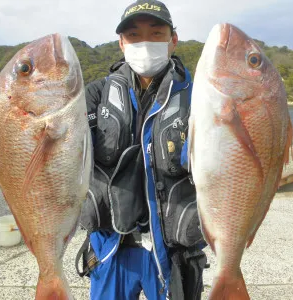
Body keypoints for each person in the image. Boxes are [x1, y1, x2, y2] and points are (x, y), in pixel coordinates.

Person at [76, 1, 207, 299]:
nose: (145, 43)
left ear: (174, 39)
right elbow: (64, 150)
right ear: (121, 43)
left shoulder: (199, 97)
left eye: (156, 33)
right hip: (111, 245)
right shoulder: (96, 95)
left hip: (174, 250)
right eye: (134, 36)